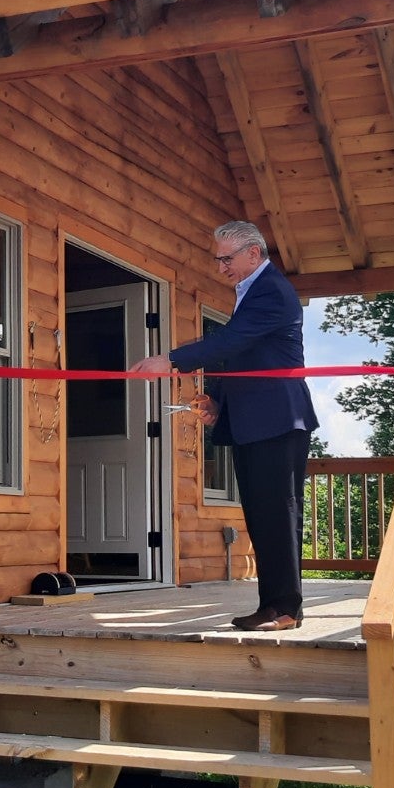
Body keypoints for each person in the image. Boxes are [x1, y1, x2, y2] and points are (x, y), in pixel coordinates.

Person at [130, 221, 317, 631]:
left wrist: (171, 360)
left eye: (226, 258)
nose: (220, 267)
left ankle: (285, 608)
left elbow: (231, 342)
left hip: (278, 418)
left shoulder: (270, 289)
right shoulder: (249, 291)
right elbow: (240, 354)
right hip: (255, 419)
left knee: (277, 512)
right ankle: (273, 606)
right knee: (261, 514)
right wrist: (217, 400)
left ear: (253, 253)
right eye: (217, 259)